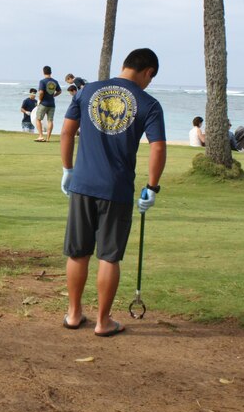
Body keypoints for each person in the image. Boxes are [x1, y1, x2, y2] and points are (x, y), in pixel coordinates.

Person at [59, 48, 166, 337]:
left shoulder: (86, 91)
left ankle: (73, 314)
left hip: (82, 184)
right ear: (148, 72)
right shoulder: (149, 103)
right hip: (116, 189)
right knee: (109, 256)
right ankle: (103, 322)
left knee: (78, 252)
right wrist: (152, 187)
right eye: (150, 78)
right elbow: (157, 146)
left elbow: (67, 132)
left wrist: (67, 169)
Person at [34, 66, 62, 142]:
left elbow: (41, 92)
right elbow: (59, 91)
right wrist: (53, 95)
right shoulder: (55, 81)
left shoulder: (42, 81)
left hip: (44, 103)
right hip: (52, 104)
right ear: (51, 72)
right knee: (50, 121)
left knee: (38, 119)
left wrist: (39, 100)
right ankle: (48, 138)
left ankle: (41, 136)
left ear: (43, 72)